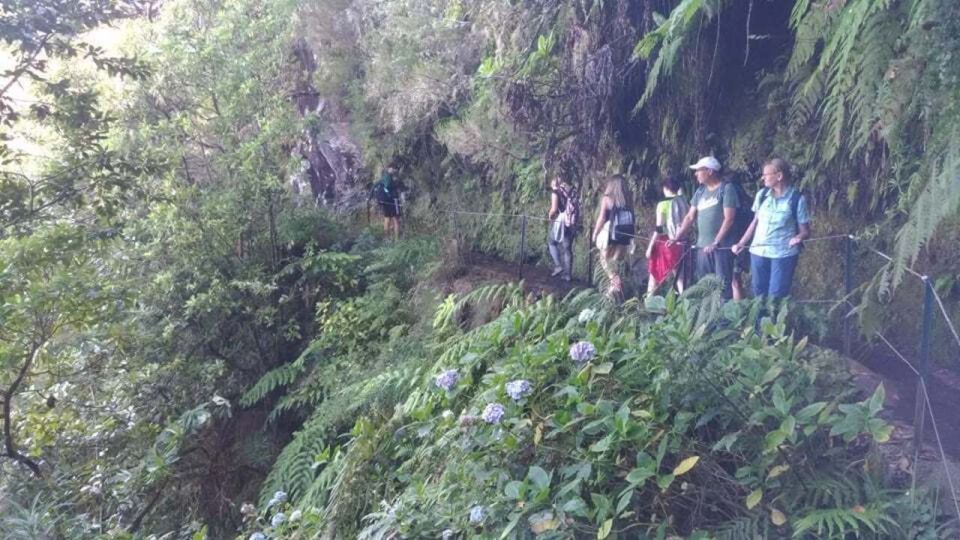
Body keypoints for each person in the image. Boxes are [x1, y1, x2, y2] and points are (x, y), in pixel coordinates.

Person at [732, 158, 810, 300]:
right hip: (758, 252)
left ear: (779, 176)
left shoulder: (797, 199)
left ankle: (775, 322)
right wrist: (741, 243)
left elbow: (805, 230)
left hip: (783, 254)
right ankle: (759, 322)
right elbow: (754, 222)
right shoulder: (761, 196)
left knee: (777, 295)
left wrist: (798, 237)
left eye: (766, 175)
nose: (763, 178)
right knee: (758, 294)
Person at [669, 156, 739, 300]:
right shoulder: (700, 191)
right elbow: (689, 217)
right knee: (705, 285)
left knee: (722, 285)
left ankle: (725, 320)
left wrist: (716, 242)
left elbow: (729, 218)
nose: (696, 174)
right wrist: (676, 237)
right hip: (702, 247)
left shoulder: (727, 189)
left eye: (699, 170)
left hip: (721, 248)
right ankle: (709, 318)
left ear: (710, 171)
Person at [591, 175, 635, 298]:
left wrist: (595, 232)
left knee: (604, 259)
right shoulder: (628, 198)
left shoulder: (607, 198)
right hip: (625, 234)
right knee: (616, 260)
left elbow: (602, 218)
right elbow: (632, 216)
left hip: (610, 233)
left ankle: (614, 283)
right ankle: (615, 293)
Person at [645, 176, 690, 296]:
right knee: (680, 275)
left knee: (654, 272)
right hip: (683, 242)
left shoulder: (663, 204)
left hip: (666, 243)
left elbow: (659, 228)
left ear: (665, 188)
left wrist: (650, 247)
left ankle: (649, 302)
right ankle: (685, 303)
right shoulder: (684, 202)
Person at [547, 175, 578, 281]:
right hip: (572, 221)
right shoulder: (570, 191)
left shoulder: (556, 193)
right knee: (567, 248)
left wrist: (550, 216)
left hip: (562, 222)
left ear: (555, 182)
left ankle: (558, 266)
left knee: (551, 242)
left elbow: (554, 209)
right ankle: (568, 275)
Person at [372, 166, 405, 241]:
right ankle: (397, 240)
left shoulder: (383, 177)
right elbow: (388, 186)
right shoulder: (389, 178)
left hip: (384, 201)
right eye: (392, 168)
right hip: (393, 200)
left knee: (387, 219)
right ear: (388, 169)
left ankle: (387, 239)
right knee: (396, 219)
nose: (394, 169)